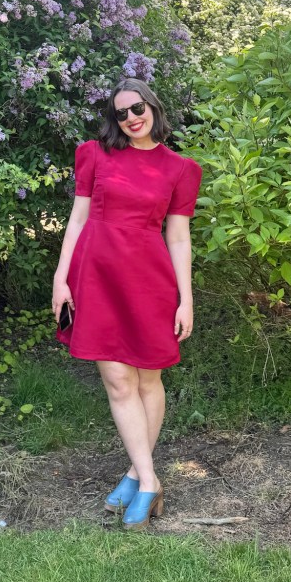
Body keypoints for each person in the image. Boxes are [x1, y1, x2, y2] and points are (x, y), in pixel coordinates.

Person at [52, 78, 202, 530]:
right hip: (96, 277)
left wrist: (186, 299)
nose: (132, 118)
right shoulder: (94, 155)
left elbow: (178, 237)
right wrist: (61, 278)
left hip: (149, 280)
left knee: (148, 378)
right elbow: (77, 220)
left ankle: (138, 474)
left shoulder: (181, 169)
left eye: (137, 108)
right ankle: (150, 480)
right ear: (113, 120)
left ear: (153, 107)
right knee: (118, 380)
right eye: (121, 113)